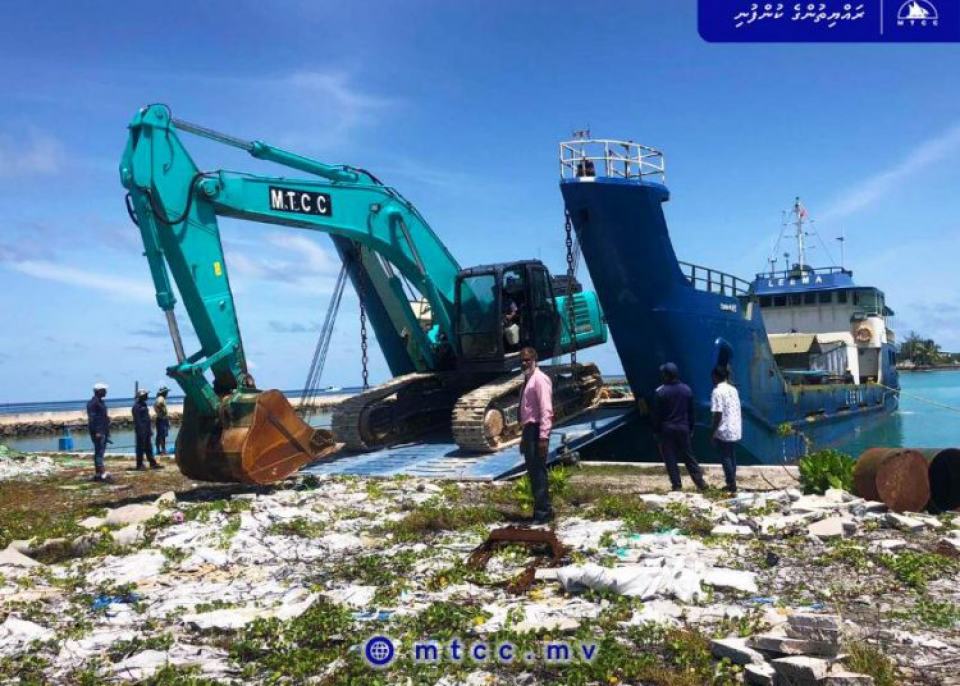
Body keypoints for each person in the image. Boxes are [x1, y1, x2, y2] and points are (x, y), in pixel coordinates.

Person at [652, 362, 707, 492]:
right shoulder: (686, 389)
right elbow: (691, 412)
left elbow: (656, 414)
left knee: (670, 457)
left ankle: (676, 485)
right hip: (683, 427)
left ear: (665, 375)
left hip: (667, 428)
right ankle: (700, 482)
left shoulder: (660, 392)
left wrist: (656, 430)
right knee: (688, 456)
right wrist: (692, 428)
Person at [519, 346, 554, 524]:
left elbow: (546, 410)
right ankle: (540, 510)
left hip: (536, 430)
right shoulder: (528, 378)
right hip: (528, 431)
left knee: (538, 472)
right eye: (522, 360)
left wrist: (543, 438)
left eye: (528, 360)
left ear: (535, 360)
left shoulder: (540, 380)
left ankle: (544, 513)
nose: (525, 363)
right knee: (533, 472)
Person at [710, 367, 742, 493]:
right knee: (731, 454)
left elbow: (718, 413)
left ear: (716, 377)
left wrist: (713, 431)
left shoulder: (717, 391)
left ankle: (731, 483)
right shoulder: (733, 389)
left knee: (725, 456)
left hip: (723, 428)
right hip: (734, 426)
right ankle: (732, 480)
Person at [86, 382, 113, 482]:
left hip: (103, 430)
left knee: (100, 452)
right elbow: (92, 419)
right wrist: (97, 431)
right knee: (99, 452)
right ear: (98, 391)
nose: (106, 391)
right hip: (99, 432)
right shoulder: (93, 403)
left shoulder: (100, 402)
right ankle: (102, 473)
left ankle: (98, 473)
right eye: (104, 390)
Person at [132, 390, 162, 471]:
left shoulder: (144, 404)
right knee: (140, 448)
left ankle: (153, 463)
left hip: (147, 429)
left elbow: (146, 418)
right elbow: (138, 420)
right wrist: (141, 431)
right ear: (141, 396)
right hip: (141, 431)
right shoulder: (136, 406)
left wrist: (149, 429)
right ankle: (139, 465)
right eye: (145, 395)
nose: (147, 396)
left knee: (149, 447)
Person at [154, 387, 170, 456]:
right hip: (162, 418)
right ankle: (163, 451)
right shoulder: (161, 398)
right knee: (162, 435)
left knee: (159, 435)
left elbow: (156, 405)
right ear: (164, 393)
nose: (167, 394)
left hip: (159, 418)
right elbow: (158, 404)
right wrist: (163, 413)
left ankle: (158, 450)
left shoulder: (159, 398)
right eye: (166, 392)